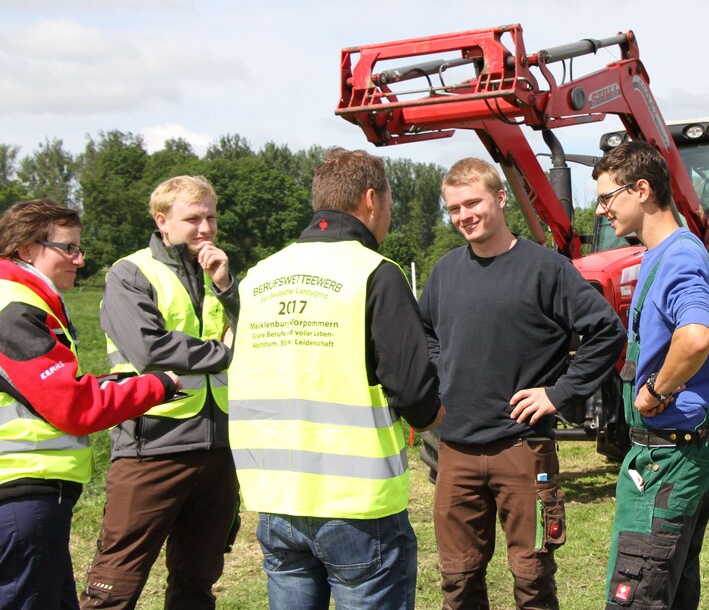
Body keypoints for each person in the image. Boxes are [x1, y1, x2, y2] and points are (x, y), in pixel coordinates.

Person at [228, 147, 443, 610]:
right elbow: (413, 391)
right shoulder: (374, 274)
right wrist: (435, 415)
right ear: (371, 199)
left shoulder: (258, 276)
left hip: (276, 496)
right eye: (389, 204)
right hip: (357, 502)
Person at [420, 157, 624, 610]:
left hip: (523, 448)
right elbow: (426, 332)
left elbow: (607, 330)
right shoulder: (445, 272)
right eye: (453, 209)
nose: (463, 216)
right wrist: (442, 374)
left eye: (472, 203)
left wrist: (558, 394)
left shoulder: (545, 269)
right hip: (456, 449)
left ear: (500, 198)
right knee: (458, 577)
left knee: (531, 577)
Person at [0, 199, 182, 610]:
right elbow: (72, 406)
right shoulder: (15, 306)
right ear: (27, 249)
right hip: (22, 491)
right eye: (68, 248)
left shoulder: (20, 298)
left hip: (28, 491)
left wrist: (109, 383)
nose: (79, 260)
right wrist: (157, 386)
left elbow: (40, 390)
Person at [81, 176, 240, 610]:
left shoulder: (220, 273)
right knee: (116, 582)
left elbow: (252, 336)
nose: (205, 227)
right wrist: (222, 354)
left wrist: (228, 288)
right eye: (193, 218)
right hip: (151, 446)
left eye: (211, 216)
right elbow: (148, 347)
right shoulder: (130, 272)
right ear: (162, 220)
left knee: (198, 581)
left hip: (218, 445)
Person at [594, 142, 709, 609]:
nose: (603, 210)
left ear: (642, 190)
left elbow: (696, 336)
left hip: (666, 464)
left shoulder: (678, 257)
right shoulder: (658, 254)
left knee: (636, 600)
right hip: (669, 458)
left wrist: (652, 391)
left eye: (609, 197)